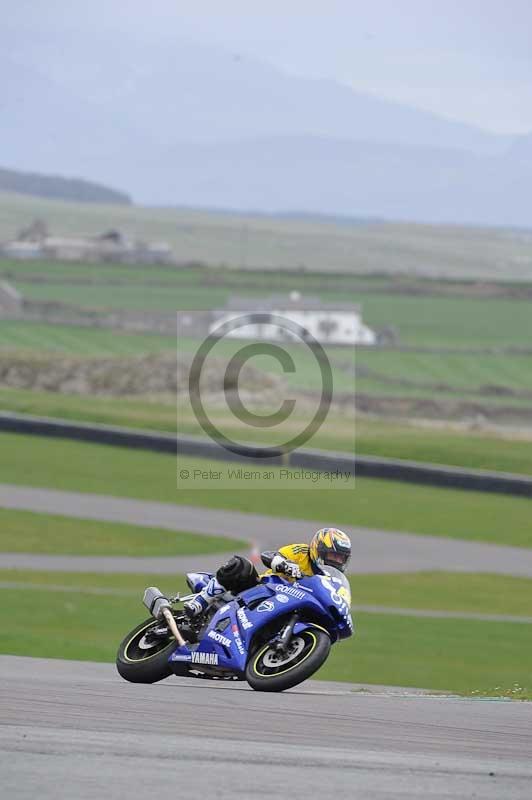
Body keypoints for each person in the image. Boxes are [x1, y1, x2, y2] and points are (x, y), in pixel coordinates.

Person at [183, 527, 351, 617]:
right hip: (262, 590)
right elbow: (269, 555)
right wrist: (284, 565)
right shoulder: (301, 552)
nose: (335, 561)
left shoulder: (332, 580)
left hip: (289, 607)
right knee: (241, 565)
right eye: (332, 555)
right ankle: (201, 601)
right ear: (317, 549)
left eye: (340, 558)